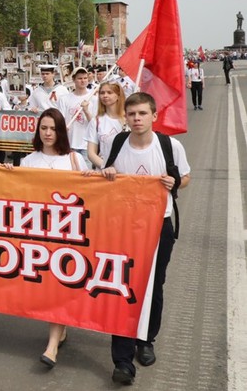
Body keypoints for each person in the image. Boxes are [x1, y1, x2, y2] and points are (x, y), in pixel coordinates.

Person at [100, 92, 191, 386]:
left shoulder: (169, 145)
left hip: (159, 225)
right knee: (123, 286)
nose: (137, 119)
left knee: (154, 284)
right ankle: (123, 360)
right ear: (125, 117)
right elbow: (104, 177)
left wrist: (174, 182)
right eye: (132, 114)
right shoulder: (117, 144)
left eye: (142, 113)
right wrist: (108, 173)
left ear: (154, 116)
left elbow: (186, 177)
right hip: (123, 227)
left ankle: (146, 339)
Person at [18, 108, 87, 370]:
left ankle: (52, 346)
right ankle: (62, 327)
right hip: (38, 234)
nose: (48, 133)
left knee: (60, 286)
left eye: (53, 128)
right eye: (43, 128)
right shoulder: (27, 161)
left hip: (67, 235)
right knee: (48, 289)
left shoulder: (74, 160)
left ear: (61, 131)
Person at [58, 67, 96, 162]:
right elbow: (59, 119)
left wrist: (86, 111)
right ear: (74, 80)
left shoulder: (94, 98)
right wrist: (62, 127)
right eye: (79, 78)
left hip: (86, 145)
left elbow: (95, 124)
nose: (83, 81)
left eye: (85, 78)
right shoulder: (64, 99)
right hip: (69, 143)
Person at [87, 81, 127, 169]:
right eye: (102, 93)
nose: (105, 95)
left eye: (109, 92)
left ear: (118, 95)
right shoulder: (96, 121)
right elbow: (91, 153)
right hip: (104, 172)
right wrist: (106, 167)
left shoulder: (128, 119)